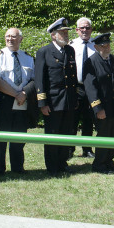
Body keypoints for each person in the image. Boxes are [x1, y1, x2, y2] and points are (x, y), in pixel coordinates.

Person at [35, 18, 78, 176]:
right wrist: (42, 103)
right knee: (53, 134)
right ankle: (52, 166)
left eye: (66, 32)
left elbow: (72, 78)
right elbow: (39, 79)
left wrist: (74, 99)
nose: (65, 35)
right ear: (53, 35)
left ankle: (62, 162)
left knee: (66, 134)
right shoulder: (44, 52)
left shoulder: (70, 51)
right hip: (53, 102)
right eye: (62, 32)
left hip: (68, 101)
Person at [0, 28, 37, 176]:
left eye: (14, 37)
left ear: (21, 39)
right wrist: (16, 94)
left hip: (22, 102)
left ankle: (18, 167)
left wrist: (24, 94)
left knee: (19, 137)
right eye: (7, 37)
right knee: (1, 138)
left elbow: (34, 79)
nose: (10, 39)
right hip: (5, 102)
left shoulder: (28, 58)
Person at [83, 33, 114, 174]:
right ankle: (99, 164)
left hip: (113, 106)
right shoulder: (91, 62)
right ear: (95, 47)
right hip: (102, 107)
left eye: (108, 45)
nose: (106, 47)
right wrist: (97, 108)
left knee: (112, 135)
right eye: (103, 45)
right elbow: (90, 87)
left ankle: (109, 162)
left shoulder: (111, 59)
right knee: (103, 135)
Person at [70, 17, 97, 158]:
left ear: (91, 29)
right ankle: (70, 149)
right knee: (72, 119)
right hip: (76, 87)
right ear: (77, 30)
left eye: (87, 28)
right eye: (82, 28)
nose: (85, 30)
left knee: (88, 119)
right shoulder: (71, 45)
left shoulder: (96, 45)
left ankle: (87, 149)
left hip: (92, 89)